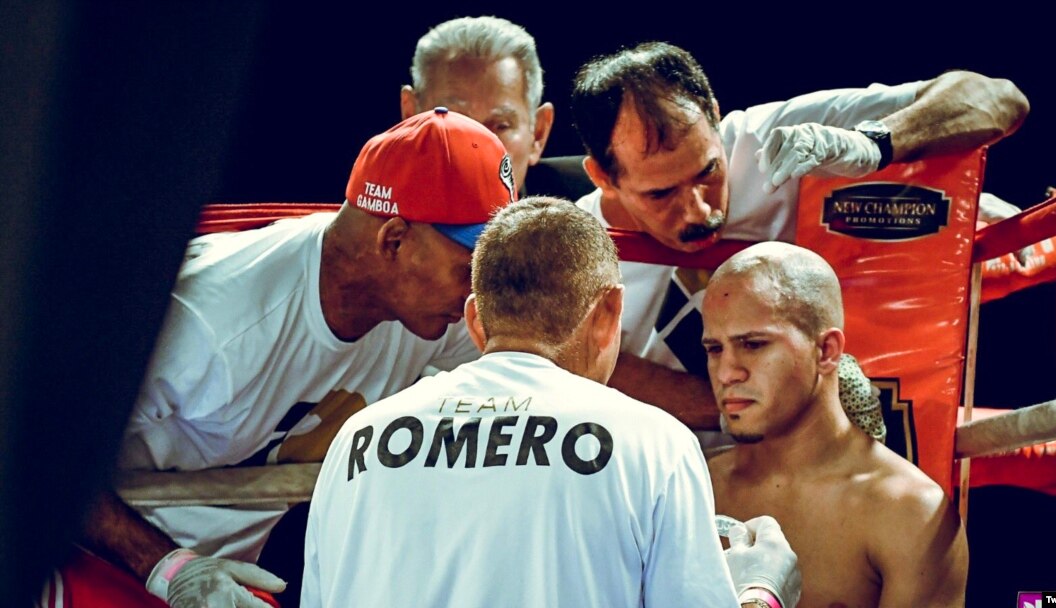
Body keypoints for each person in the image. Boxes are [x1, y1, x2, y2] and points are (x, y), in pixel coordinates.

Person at [68, 108, 516, 607]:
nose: (482, 288)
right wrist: (170, 569)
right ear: (393, 239)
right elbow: (34, 457)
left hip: (223, 581)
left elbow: (550, 380)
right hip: (92, 559)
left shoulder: (438, 309)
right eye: (471, 265)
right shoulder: (207, 317)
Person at [301, 196, 801, 608]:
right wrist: (762, 592)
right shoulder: (653, 443)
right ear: (609, 313)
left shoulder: (357, 439)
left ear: (476, 321)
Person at [569, 41, 1030, 437]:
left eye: (708, 170)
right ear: (603, 178)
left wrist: (877, 147)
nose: (699, 211)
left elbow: (997, 98)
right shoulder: (574, 253)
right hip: (672, 479)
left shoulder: (772, 139)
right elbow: (579, 368)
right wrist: (791, 405)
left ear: (714, 116)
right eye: (660, 193)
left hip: (814, 473)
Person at [703, 241, 968, 607]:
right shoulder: (692, 483)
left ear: (826, 351)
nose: (728, 372)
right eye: (714, 349)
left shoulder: (907, 512)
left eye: (754, 344)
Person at [400, 16, 556, 196]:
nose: (474, 154)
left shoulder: (586, 207)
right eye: (452, 124)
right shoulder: (365, 217)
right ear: (410, 116)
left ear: (538, 133)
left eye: (500, 126)